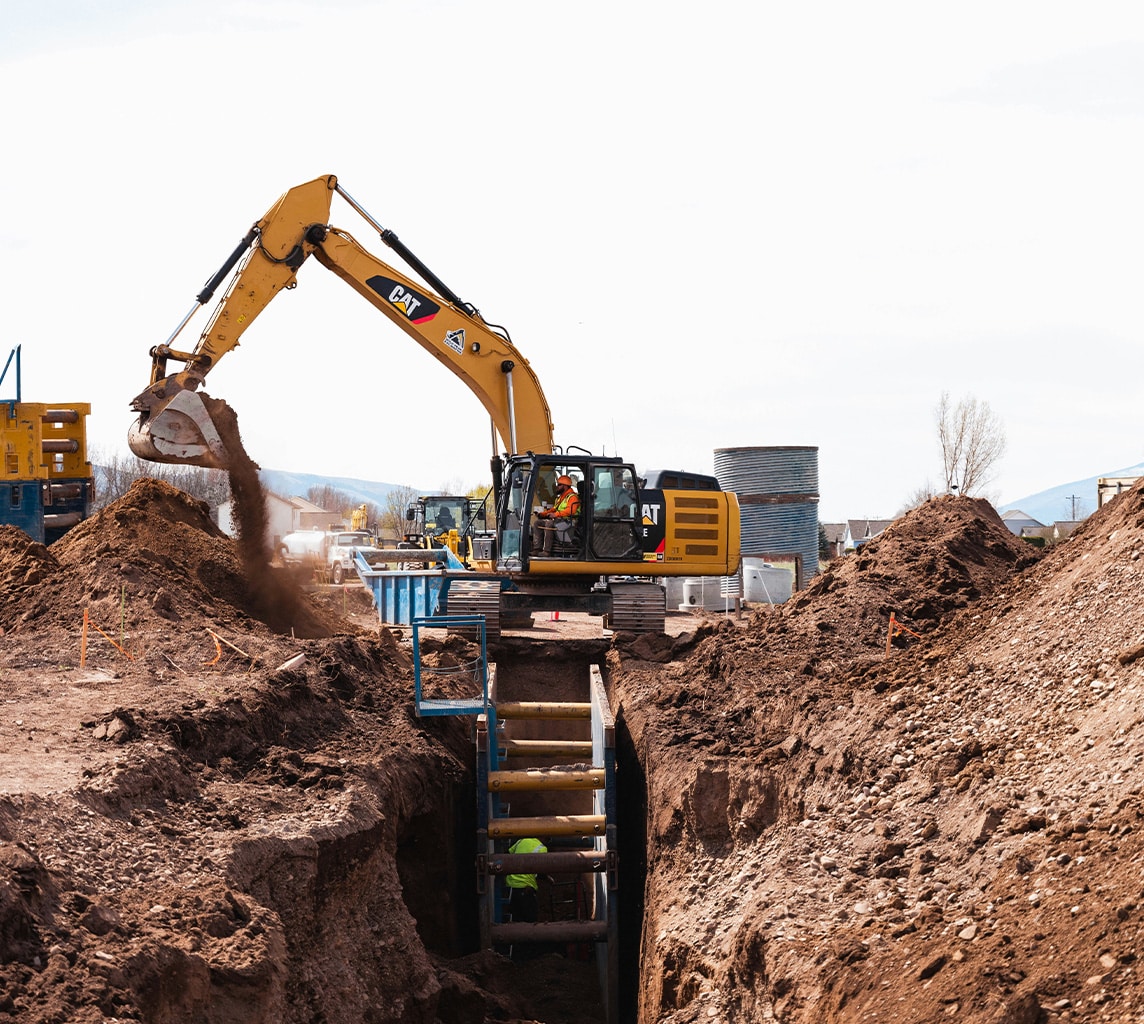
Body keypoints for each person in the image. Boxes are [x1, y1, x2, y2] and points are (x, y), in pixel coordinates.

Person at [530, 475, 580, 555]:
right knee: (537, 523)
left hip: (569, 522)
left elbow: (571, 511)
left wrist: (556, 515)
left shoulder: (572, 497)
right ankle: (537, 548)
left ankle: (546, 551)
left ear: (565, 486)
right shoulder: (560, 498)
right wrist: (542, 514)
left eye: (559, 485)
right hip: (560, 520)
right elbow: (553, 509)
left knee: (549, 523)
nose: (557, 486)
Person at [505, 836, 547, 926]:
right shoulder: (542, 848)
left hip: (511, 887)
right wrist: (548, 879)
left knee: (515, 919)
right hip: (526, 888)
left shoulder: (521, 841)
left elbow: (507, 854)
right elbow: (541, 871)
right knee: (530, 922)